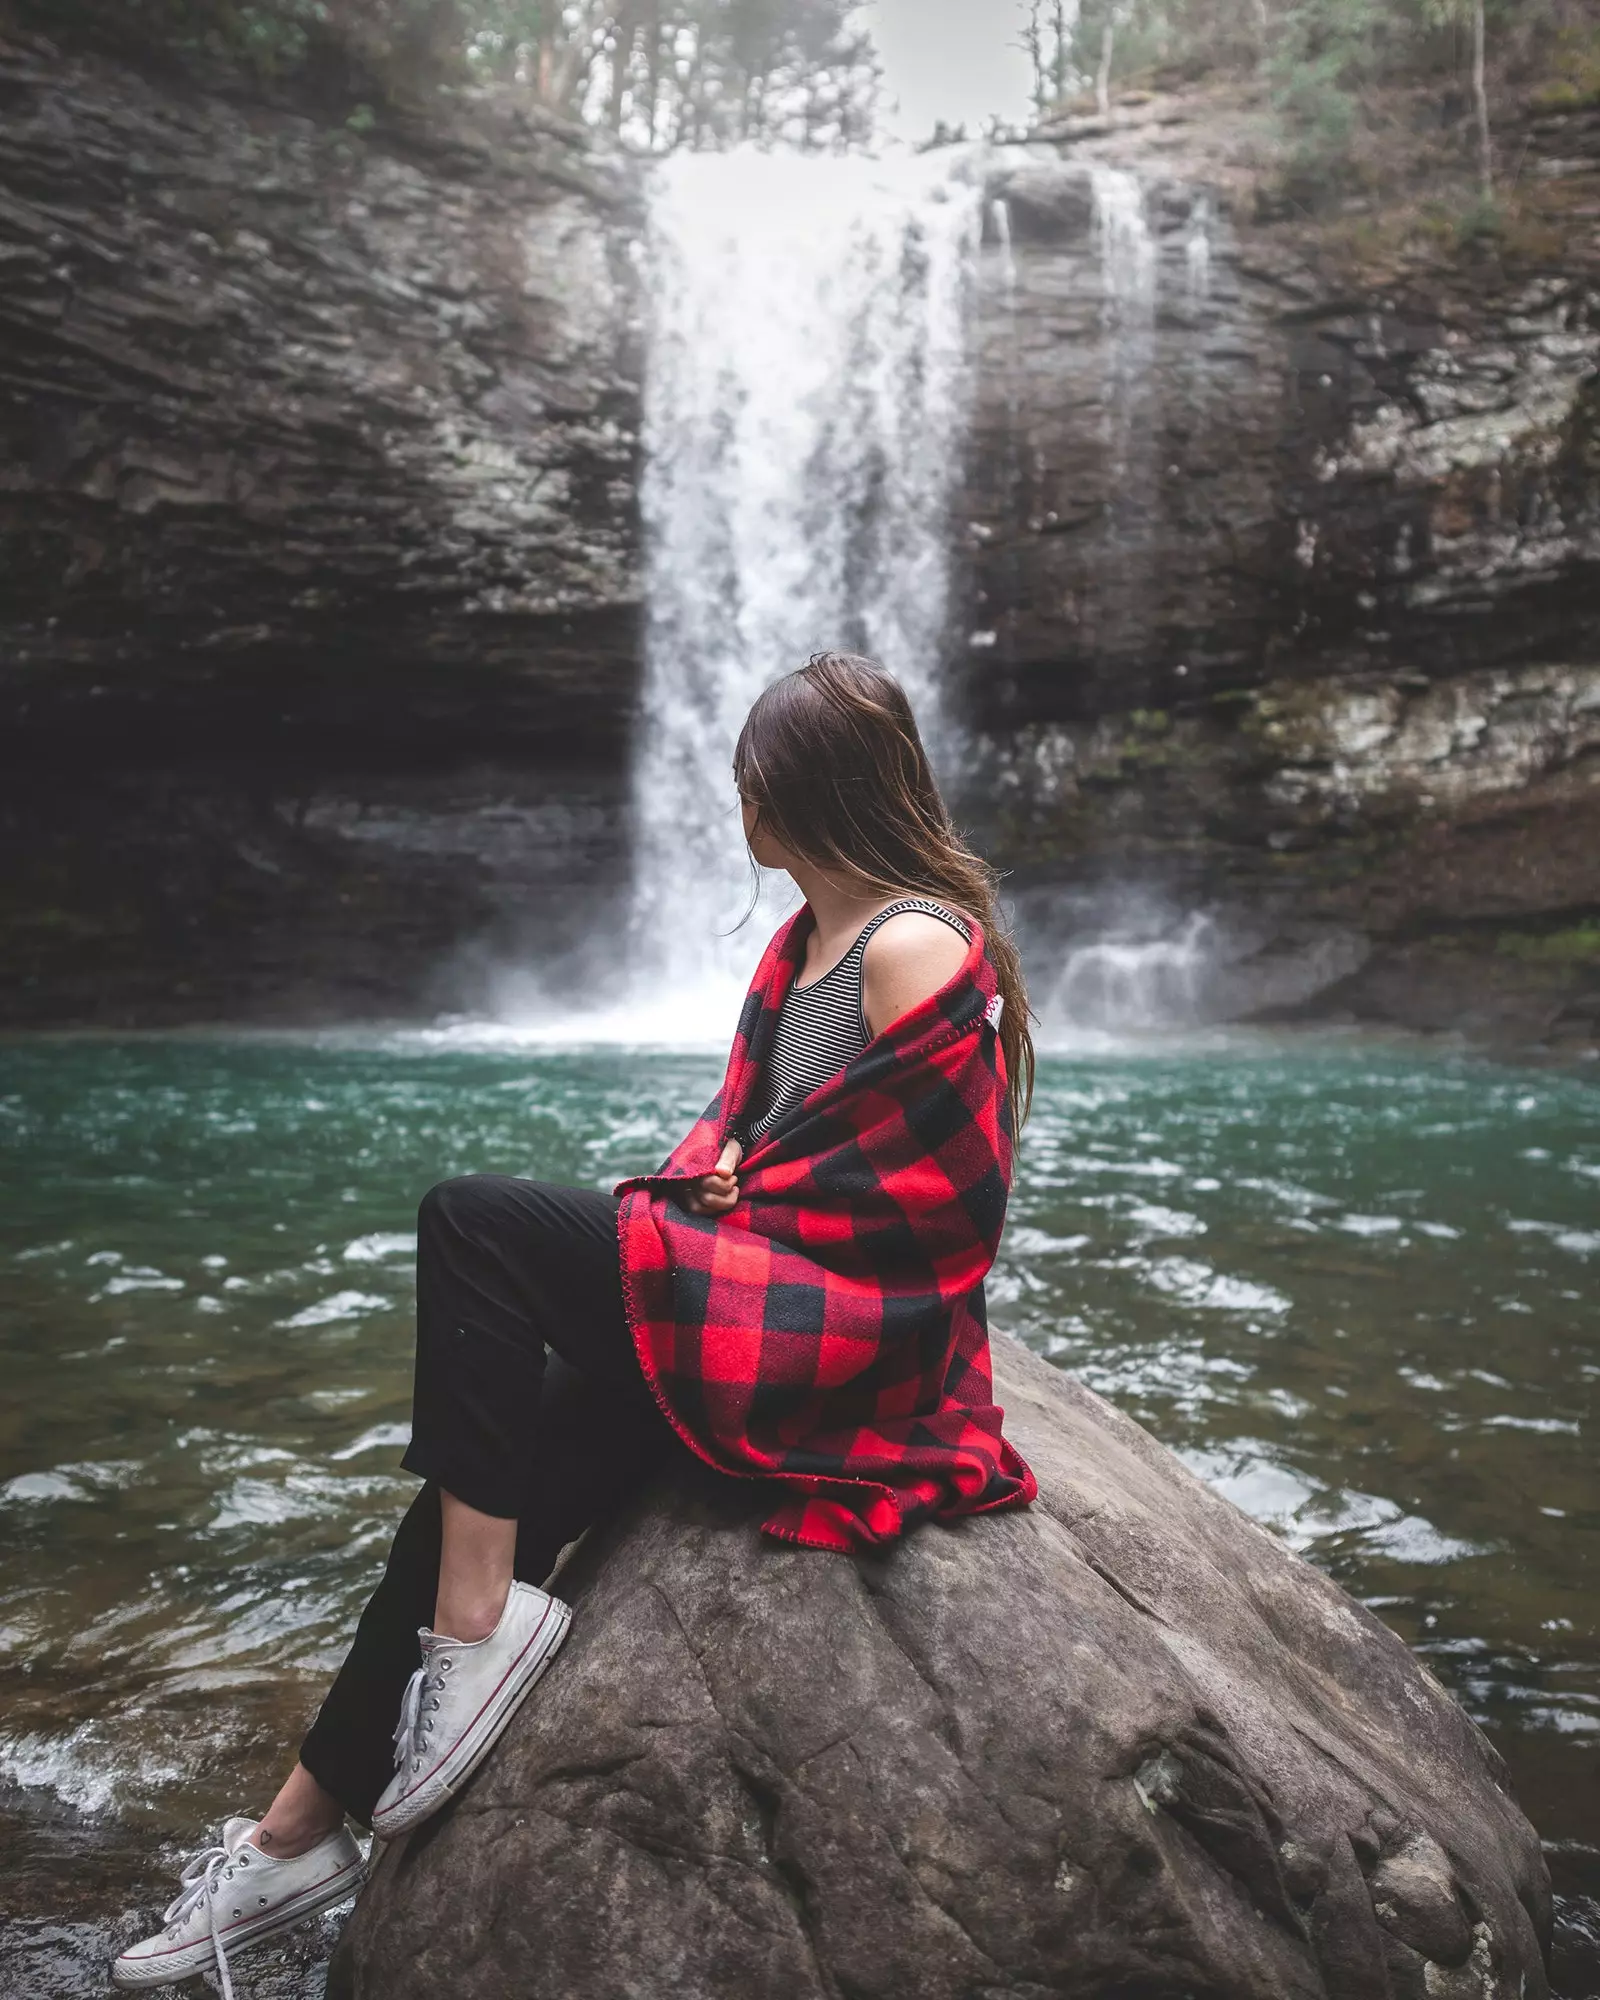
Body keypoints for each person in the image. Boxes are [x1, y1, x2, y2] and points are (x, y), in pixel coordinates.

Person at [111, 652, 1038, 1995]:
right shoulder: (808, 943)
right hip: (763, 1284)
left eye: (751, 784)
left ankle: (480, 1632)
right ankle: (294, 1840)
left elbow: (946, 1207)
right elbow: (811, 1140)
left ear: (799, 797)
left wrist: (756, 1191)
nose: (737, 809)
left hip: (832, 1340)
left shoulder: (913, 943)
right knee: (458, 1498)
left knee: (471, 1223)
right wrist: (736, 1173)